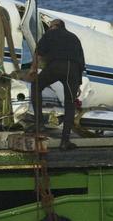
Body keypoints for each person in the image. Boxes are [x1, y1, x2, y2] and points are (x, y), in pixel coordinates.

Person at [28, 19, 85, 151]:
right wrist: (78, 84)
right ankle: (65, 142)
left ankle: (40, 124)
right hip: (73, 70)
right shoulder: (74, 37)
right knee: (70, 104)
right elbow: (81, 62)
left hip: (56, 66)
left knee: (36, 86)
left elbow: (38, 53)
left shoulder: (50, 33)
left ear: (54, 26)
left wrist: (32, 69)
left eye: (49, 26)